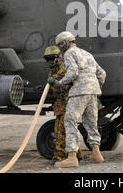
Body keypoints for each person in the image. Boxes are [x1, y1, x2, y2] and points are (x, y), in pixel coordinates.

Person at [52, 31, 106, 168]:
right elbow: (102, 73)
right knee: (91, 122)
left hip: (79, 92)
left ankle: (71, 157)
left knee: (70, 121)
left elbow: (73, 72)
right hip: (93, 92)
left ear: (65, 43)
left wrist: (60, 83)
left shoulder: (69, 53)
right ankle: (96, 154)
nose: (60, 49)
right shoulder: (87, 54)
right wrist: (94, 86)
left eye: (60, 45)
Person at [44, 46, 83, 165]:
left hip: (68, 104)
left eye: (51, 58)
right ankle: (77, 155)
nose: (49, 61)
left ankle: (59, 156)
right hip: (60, 106)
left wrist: (52, 84)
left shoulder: (63, 68)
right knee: (62, 130)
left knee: (61, 131)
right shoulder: (53, 70)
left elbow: (61, 82)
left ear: (57, 58)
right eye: (47, 59)